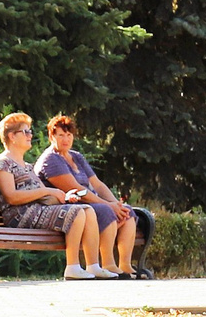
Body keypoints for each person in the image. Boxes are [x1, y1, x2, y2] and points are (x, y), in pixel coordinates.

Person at [0, 112, 113, 278]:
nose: (30, 135)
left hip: (37, 210)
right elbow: (12, 197)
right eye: (25, 132)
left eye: (30, 131)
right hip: (19, 215)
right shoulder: (1, 163)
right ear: (12, 137)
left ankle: (93, 265)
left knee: (87, 210)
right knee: (78, 212)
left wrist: (65, 197)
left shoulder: (27, 166)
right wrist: (47, 190)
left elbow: (42, 196)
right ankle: (72, 267)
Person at [36, 115, 149, 279]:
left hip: (90, 204)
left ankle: (125, 265)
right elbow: (77, 189)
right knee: (105, 210)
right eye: (60, 135)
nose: (65, 139)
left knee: (127, 211)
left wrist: (115, 203)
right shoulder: (50, 160)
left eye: (69, 135)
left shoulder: (76, 156)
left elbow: (97, 184)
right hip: (71, 207)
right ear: (51, 136)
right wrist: (108, 206)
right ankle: (108, 263)